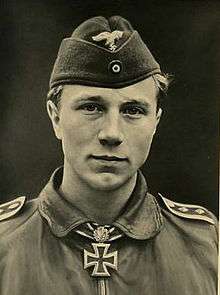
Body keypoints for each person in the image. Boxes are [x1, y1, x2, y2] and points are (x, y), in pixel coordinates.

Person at [0, 16, 217, 295]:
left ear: (155, 122)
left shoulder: (207, 244)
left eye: (133, 110)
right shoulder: (5, 243)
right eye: (91, 107)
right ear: (55, 118)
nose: (112, 133)